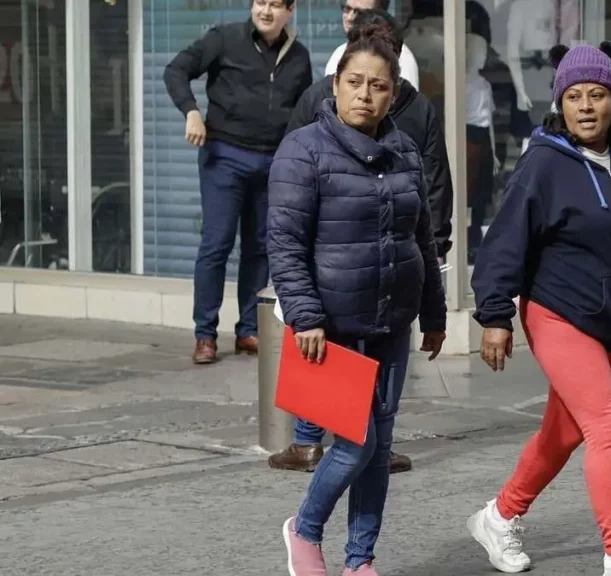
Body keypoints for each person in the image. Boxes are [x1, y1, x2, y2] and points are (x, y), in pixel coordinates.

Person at [467, 42, 611, 576]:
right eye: (575, 96)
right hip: (558, 313)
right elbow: (504, 243)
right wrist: (494, 315)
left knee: (563, 433)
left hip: (609, 321)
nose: (586, 106)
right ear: (560, 103)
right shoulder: (544, 164)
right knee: (609, 426)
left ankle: (500, 515)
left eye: (598, 95)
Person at [269, 24, 447, 576]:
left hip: (392, 318)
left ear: (394, 93)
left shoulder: (404, 150)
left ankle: (360, 561)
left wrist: (435, 313)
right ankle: (304, 529)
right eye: (354, 82)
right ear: (335, 85)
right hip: (332, 325)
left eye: (377, 85)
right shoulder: (304, 150)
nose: (365, 94)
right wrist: (304, 315)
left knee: (379, 444)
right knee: (356, 444)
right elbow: (284, 240)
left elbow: (421, 238)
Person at [163, 0, 312, 364]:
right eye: (260, 2)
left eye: (276, 5)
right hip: (225, 156)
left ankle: (249, 329)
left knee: (260, 247)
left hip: (272, 163)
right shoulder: (225, 39)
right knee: (217, 243)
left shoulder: (300, 58)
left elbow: (303, 113)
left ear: (290, 11)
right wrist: (192, 112)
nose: (266, 11)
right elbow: (176, 70)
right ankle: (205, 334)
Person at [325, 0, 419, 89]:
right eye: (347, 9)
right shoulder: (338, 54)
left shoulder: (402, 59)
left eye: (359, 13)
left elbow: (409, 104)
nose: (349, 18)